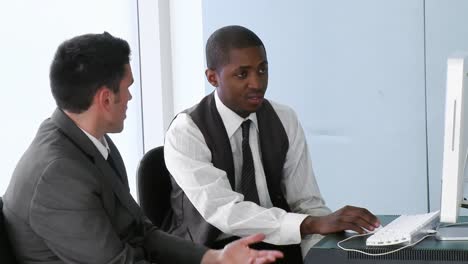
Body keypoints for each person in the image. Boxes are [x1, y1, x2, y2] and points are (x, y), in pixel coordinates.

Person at [2, 32, 283, 264]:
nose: (130, 97)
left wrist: (215, 257)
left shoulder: (89, 140)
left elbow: (141, 232)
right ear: (105, 99)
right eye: (127, 88)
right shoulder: (57, 175)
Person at [164, 25, 381, 263]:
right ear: (213, 77)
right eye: (242, 74)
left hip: (278, 243)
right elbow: (225, 211)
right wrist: (311, 224)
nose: (257, 83)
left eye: (262, 70)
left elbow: (306, 203)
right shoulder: (187, 131)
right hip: (211, 253)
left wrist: (323, 255)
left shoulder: (284, 118)